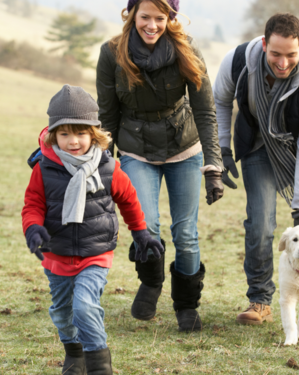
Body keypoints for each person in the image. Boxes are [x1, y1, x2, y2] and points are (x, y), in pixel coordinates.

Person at [213, 13, 299, 325]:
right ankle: (260, 299)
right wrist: (221, 149)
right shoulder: (238, 62)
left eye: (291, 55)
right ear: (263, 45)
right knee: (260, 225)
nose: (283, 63)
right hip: (258, 146)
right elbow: (220, 101)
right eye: (275, 54)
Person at [96, 0, 224, 332]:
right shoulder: (112, 53)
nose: (152, 25)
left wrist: (213, 166)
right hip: (136, 149)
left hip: (184, 146)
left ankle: (186, 304)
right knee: (146, 226)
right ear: (131, 14)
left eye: (160, 18)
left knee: (186, 233)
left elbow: (206, 112)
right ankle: (151, 283)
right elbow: (107, 118)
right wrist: (101, 167)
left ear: (171, 18)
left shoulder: (186, 50)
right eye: (145, 17)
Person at [22, 85, 163, 375]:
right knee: (62, 315)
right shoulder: (44, 168)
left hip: (95, 253)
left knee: (85, 306)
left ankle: (99, 365)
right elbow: (32, 203)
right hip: (56, 254)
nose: (73, 141)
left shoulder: (109, 168)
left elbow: (129, 200)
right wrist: (33, 228)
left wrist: (141, 233)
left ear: (94, 133)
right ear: (52, 135)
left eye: (81, 133)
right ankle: (75, 354)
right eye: (65, 134)